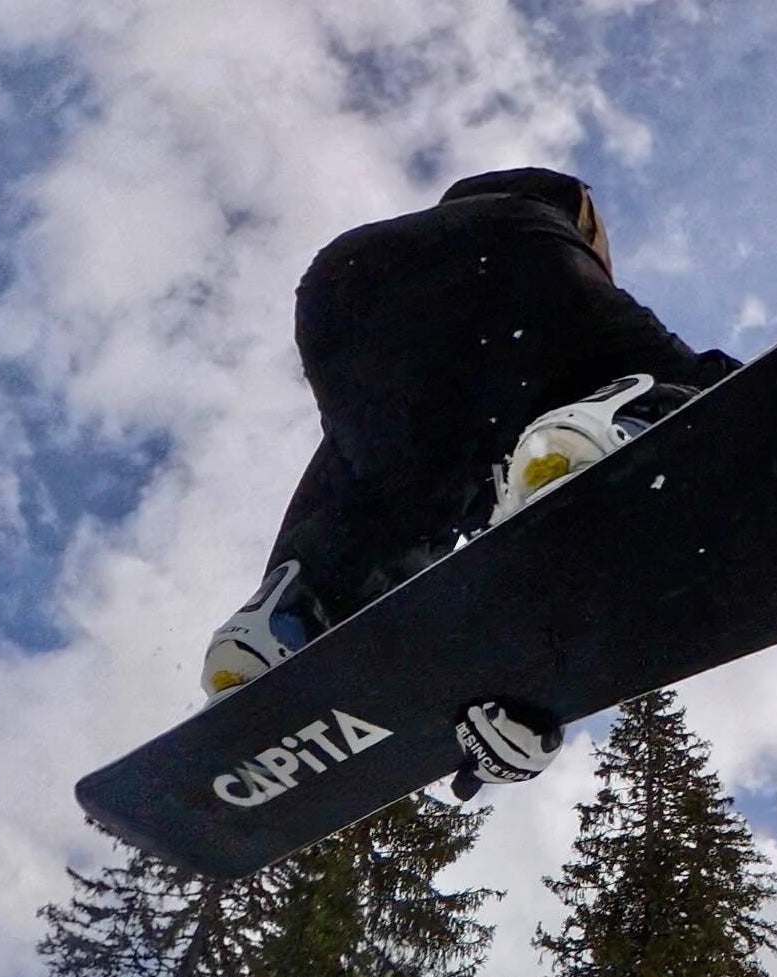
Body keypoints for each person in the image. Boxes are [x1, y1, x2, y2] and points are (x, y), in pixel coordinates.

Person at [199, 168, 738, 798]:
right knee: (687, 395)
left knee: (391, 501)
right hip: (511, 256)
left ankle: (289, 628)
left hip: (341, 290)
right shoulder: (557, 211)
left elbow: (474, 586)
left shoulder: (451, 416)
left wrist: (495, 681)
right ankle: (622, 427)